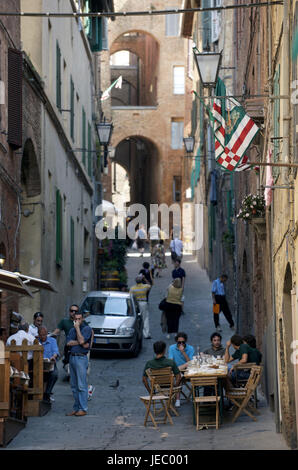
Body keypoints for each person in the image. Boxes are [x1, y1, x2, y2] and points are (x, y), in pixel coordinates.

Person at [66, 311, 93, 416]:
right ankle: (76, 408)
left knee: (82, 385)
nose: (77, 321)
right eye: (75, 319)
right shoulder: (71, 330)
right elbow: (69, 343)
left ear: (82, 319)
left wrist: (77, 329)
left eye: (79, 319)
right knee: (74, 385)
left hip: (81, 358)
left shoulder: (86, 329)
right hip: (72, 357)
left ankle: (83, 408)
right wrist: (80, 342)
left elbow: (83, 341)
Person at [52, 304, 80, 375]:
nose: (73, 312)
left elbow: (90, 331)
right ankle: (66, 364)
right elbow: (56, 331)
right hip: (69, 346)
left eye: (75, 311)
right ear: (69, 312)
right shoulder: (65, 321)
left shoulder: (81, 321)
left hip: (79, 346)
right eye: (72, 311)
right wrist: (47, 336)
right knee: (68, 364)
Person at [168, 332, 194, 407]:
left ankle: (195, 397)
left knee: (187, 364)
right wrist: (177, 369)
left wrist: (183, 352)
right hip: (176, 370)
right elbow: (171, 361)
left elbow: (190, 362)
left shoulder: (190, 348)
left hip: (187, 370)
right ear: (176, 342)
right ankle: (177, 399)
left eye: (183, 342)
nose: (181, 344)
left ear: (185, 341)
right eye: (179, 342)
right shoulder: (172, 348)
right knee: (178, 375)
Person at [38, 326, 59, 403]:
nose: (43, 337)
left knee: (55, 374)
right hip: (39, 365)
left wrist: (53, 357)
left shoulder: (52, 340)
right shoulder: (36, 341)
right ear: (38, 335)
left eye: (44, 335)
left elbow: (55, 352)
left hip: (50, 364)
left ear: (47, 334)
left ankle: (47, 393)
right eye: (41, 335)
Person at [130, 275, 151, 339]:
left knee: (136, 318)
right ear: (142, 280)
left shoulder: (132, 288)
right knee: (145, 318)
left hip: (136, 303)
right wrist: (145, 279)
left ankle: (137, 332)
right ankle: (146, 334)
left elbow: (130, 296)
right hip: (143, 302)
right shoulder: (145, 286)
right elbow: (150, 285)